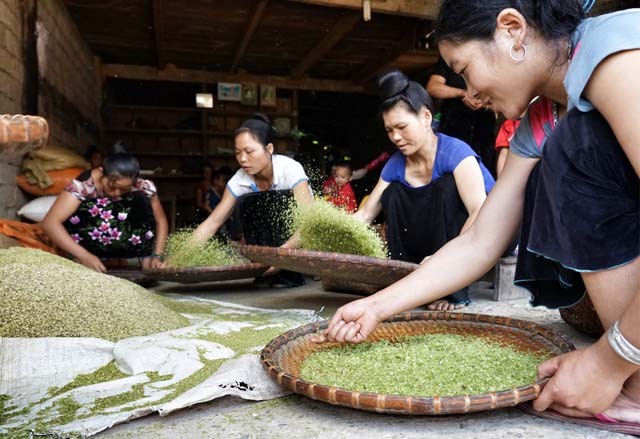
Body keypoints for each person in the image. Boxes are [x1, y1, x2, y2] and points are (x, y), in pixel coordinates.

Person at [318, 1, 640, 426]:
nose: (469, 92)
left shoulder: (616, 58)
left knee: (575, 147)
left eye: (465, 70)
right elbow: (480, 240)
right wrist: (378, 306)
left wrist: (608, 362)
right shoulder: (544, 118)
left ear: (511, 30)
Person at [353, 70, 495, 311]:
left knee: (445, 187)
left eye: (401, 127)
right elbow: (365, 215)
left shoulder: (455, 152)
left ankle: (451, 291)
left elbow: (479, 211)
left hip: (486, 234)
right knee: (393, 193)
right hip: (437, 247)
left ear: (426, 117)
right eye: (389, 130)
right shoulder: (396, 163)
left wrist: (444, 259)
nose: (396, 137)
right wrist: (312, 239)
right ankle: (405, 280)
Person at [188, 113, 314, 287]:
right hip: (265, 253)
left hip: (299, 245)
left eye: (249, 151)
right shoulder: (240, 179)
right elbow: (212, 222)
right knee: (248, 201)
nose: (242, 159)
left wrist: (281, 259)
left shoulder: (290, 169)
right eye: (238, 153)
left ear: (269, 149)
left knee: (282, 202)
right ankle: (262, 266)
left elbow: (308, 225)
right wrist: (177, 258)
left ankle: (290, 274)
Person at [43, 144, 168, 272]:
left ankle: (141, 257)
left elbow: (161, 221)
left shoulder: (142, 186)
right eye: (112, 187)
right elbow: (50, 223)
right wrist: (84, 255)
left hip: (127, 245)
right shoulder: (82, 186)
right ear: (102, 172)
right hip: (89, 247)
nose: (117, 193)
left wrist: (156, 255)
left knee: (142, 198)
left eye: (124, 189)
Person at [426, 57, 498, 175]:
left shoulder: (491, 58)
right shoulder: (449, 58)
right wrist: (462, 93)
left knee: (484, 173)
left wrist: (484, 104)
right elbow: (432, 88)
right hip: (453, 129)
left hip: (483, 132)